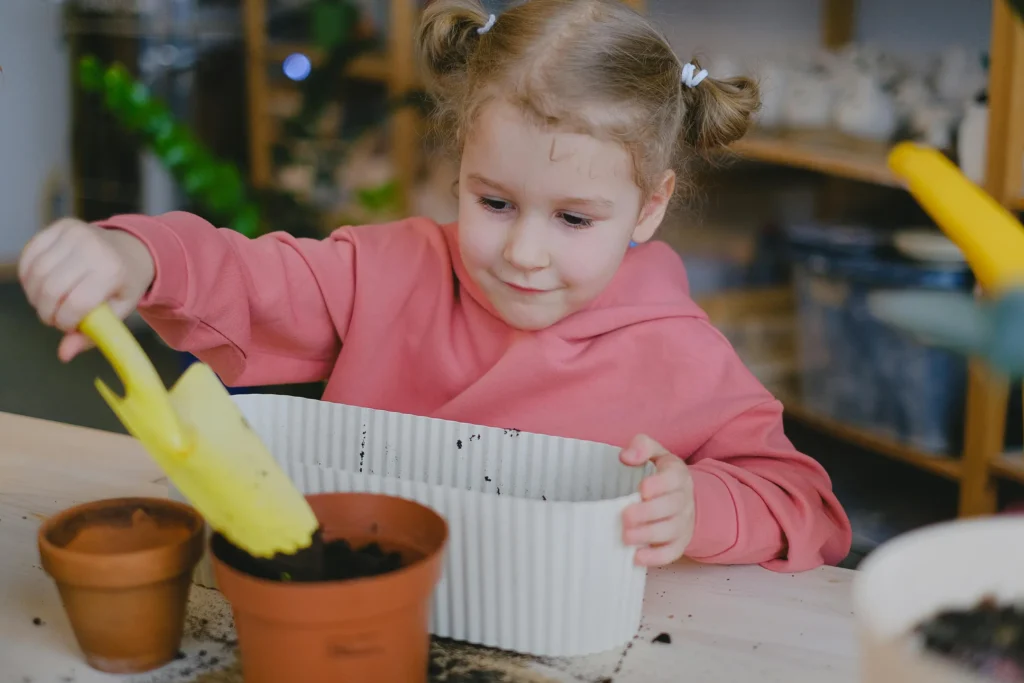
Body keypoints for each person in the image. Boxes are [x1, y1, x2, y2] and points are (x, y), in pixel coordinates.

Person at [18, 0, 851, 572]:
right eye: (494, 202)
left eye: (572, 218)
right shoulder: (391, 271)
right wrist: (137, 257)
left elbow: (806, 505)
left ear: (650, 207)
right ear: (460, 167)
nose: (523, 252)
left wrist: (701, 507)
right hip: (363, 603)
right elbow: (252, 274)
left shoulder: (678, 350)